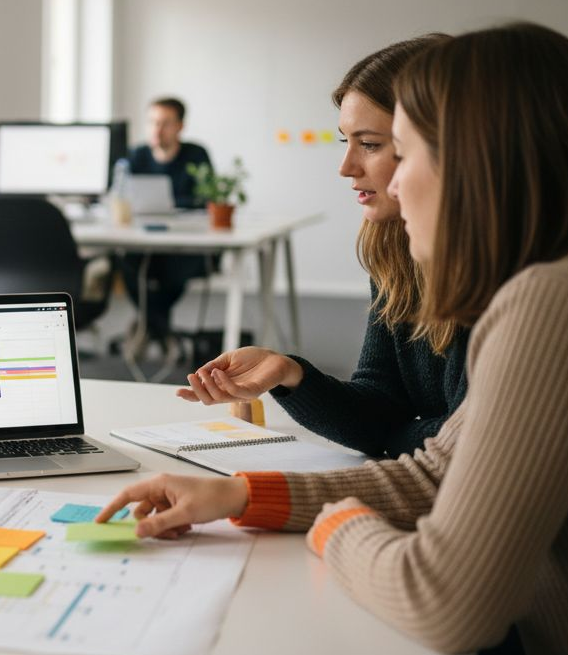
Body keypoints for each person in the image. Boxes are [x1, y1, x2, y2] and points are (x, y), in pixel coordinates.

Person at [98, 22, 568, 655]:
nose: (386, 181)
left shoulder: (550, 303)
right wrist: (240, 496)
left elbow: (447, 602)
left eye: (396, 152)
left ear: (478, 162)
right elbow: (437, 471)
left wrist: (336, 523)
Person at [178, 35, 468, 459]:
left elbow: (467, 440)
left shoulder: (514, 279)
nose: (346, 167)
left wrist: (397, 435)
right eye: (344, 142)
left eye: (369, 144)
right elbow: (384, 409)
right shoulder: (395, 248)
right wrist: (289, 374)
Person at [119, 97, 213, 353]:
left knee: (176, 267)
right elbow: (122, 196)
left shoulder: (195, 154)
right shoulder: (135, 155)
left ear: (180, 126)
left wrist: (171, 204)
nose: (157, 130)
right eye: (152, 122)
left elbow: (205, 198)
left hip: (183, 241)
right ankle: (161, 329)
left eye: (164, 123)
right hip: (142, 238)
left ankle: (149, 326)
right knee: (123, 260)